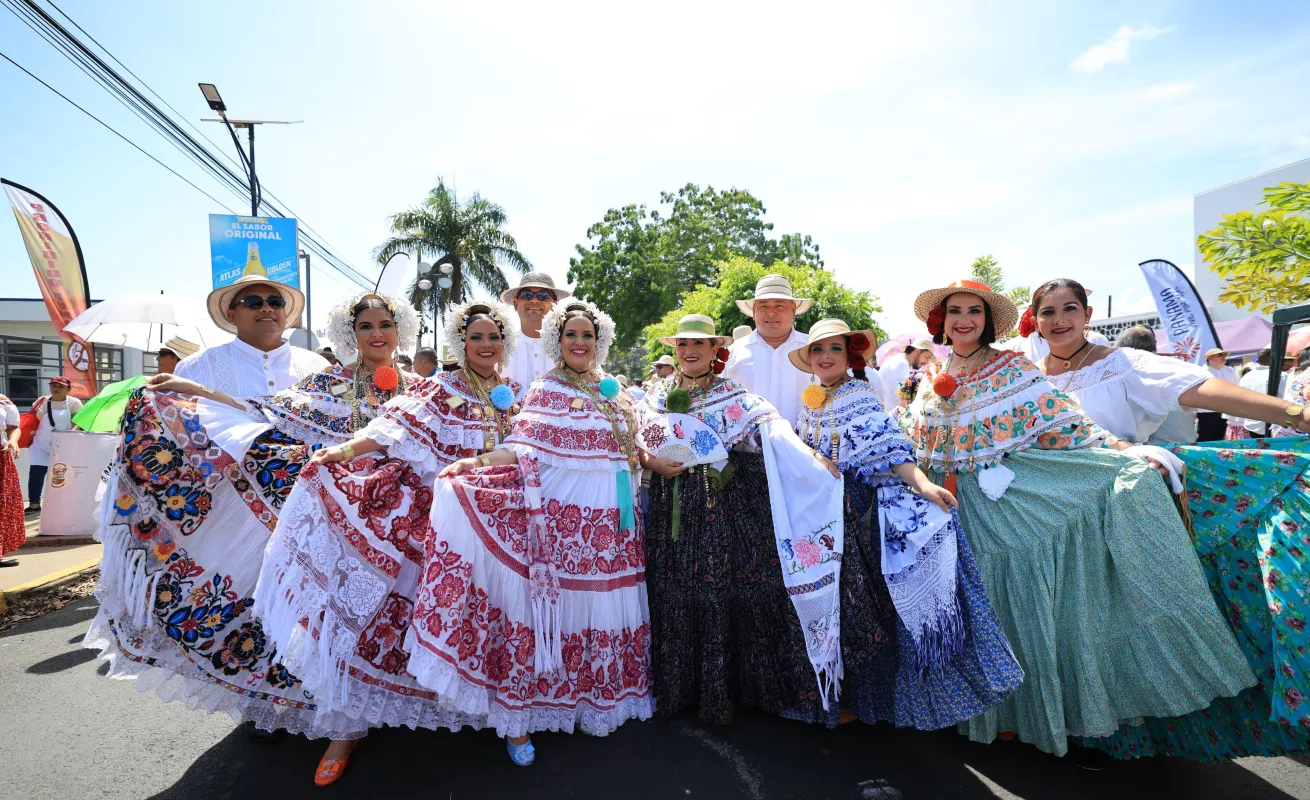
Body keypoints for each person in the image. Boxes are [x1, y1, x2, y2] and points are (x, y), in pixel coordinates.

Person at [898, 279, 1255, 760]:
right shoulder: (927, 375)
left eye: (975, 312)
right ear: (939, 320)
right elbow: (909, 436)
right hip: (944, 507)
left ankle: (1015, 716)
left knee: (1010, 604)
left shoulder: (1010, 368)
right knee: (960, 602)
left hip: (1001, 503)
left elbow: (1062, 420)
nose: (965, 320)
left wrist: (1124, 451)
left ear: (987, 321)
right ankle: (971, 709)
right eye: (955, 311)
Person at [290, 299, 649, 768]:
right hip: (442, 519)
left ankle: (497, 713)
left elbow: (552, 449)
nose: (485, 345)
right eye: (476, 337)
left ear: (507, 343)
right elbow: (396, 425)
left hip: (514, 523)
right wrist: (347, 449)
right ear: (461, 343)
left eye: (494, 337)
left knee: (502, 619)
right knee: (394, 615)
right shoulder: (443, 386)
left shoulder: (520, 392)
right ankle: (346, 730)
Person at [85, 290, 417, 776]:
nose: (377, 334)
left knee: (396, 613)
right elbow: (264, 411)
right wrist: (194, 392)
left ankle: (396, 701)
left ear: (400, 329)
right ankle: (344, 728)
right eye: (365, 327)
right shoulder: (332, 381)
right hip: (339, 521)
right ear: (352, 335)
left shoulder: (428, 388)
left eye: (384, 324)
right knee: (337, 616)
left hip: (406, 523)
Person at [788, 318, 1024, 728]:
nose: (825, 357)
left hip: (859, 521)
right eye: (818, 350)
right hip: (825, 523)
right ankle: (843, 700)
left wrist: (925, 485)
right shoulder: (812, 401)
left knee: (866, 614)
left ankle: (869, 704)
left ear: (850, 358)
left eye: (835, 350)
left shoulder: (857, 399)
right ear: (808, 358)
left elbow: (893, 452)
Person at [176, 272, 328, 395]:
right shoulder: (196, 368)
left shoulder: (318, 366)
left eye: (276, 302)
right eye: (253, 302)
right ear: (232, 315)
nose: (267, 308)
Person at [723, 274, 816, 426]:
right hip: (745, 448)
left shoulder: (814, 348)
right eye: (764, 306)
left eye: (779, 306)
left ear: (793, 310)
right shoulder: (732, 354)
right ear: (753, 311)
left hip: (805, 446)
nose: (771, 313)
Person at [1110, 325, 1197, 445]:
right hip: (1189, 445)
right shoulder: (1178, 366)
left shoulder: (1132, 372)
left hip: (1158, 452)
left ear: (1124, 350)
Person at [25, 376, 83, 513]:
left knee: (61, 474)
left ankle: (62, 503)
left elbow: (79, 422)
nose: (55, 388)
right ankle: (34, 503)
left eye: (60, 386)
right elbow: (33, 420)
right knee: (36, 472)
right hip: (41, 443)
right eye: (53, 386)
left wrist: (71, 434)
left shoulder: (74, 402)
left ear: (68, 389)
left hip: (64, 445)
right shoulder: (41, 401)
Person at [501, 271, 568, 390]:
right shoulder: (500, 346)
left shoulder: (569, 346)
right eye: (527, 295)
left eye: (543, 297)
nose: (534, 300)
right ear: (516, 304)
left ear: (555, 305)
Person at [1229, 349, 1289, 438]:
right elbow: (1288, 397)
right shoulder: (1282, 375)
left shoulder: (1247, 376)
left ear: (1257, 361)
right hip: (1275, 424)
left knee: (1259, 450)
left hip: (1252, 423)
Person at [879, 339, 935, 416]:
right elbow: (901, 398)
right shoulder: (901, 364)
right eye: (926, 357)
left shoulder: (899, 360)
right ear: (917, 351)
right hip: (891, 416)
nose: (926, 362)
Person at [0, 393, 22, 566]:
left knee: (2, 504)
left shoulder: (3, 401)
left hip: (1, 454)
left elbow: (13, 428)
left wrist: (13, 441)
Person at [1198, 347, 1237, 441]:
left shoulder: (1230, 371)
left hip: (1225, 409)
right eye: (1220, 355)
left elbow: (1236, 389)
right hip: (1206, 410)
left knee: (1220, 437)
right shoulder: (1200, 371)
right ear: (1210, 358)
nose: (1223, 357)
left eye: (1224, 355)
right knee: (1205, 437)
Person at [1273, 347, 1309, 437]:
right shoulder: (1300, 374)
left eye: (1290, 360)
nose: (1287, 363)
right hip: (1301, 427)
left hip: (1286, 426)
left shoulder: (1295, 373)